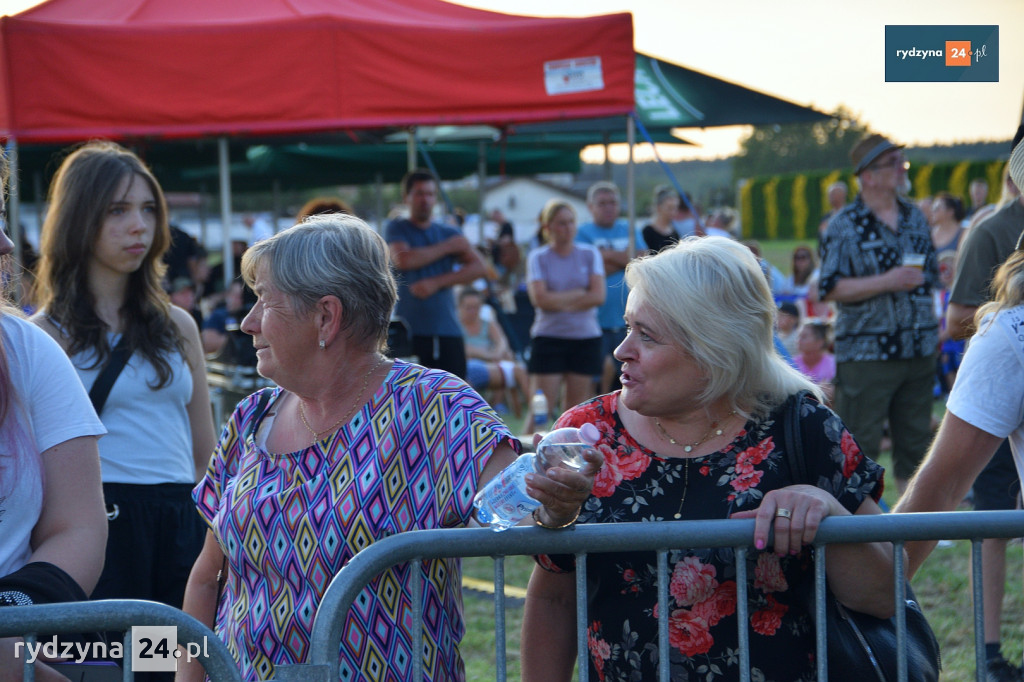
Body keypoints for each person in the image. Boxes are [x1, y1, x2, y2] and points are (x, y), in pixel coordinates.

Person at [178, 215, 601, 682]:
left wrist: (557, 498)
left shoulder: (433, 406)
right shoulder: (250, 418)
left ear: (326, 316)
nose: (247, 322)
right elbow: (207, 578)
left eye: (265, 303)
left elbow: (526, 507)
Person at [521, 236, 894, 682]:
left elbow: (885, 595)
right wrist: (555, 517)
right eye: (627, 328)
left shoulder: (802, 427)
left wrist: (827, 513)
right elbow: (554, 597)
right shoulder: (586, 435)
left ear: (713, 349)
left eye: (646, 335)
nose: (622, 350)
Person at [30, 141, 216, 613]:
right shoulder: (41, 337)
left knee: (175, 662)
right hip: (96, 528)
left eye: (149, 209)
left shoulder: (179, 325)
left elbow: (205, 455)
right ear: (80, 217)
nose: (139, 225)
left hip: (181, 526)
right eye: (117, 210)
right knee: (111, 663)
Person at [0, 152, 107, 682]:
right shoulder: (54, 325)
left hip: (150, 518)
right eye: (116, 211)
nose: (4, 243)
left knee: (154, 652)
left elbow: (79, 525)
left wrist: (13, 618)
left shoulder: (27, 349)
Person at [895, 247, 1024, 682]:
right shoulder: (1013, 332)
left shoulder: (1011, 330)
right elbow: (943, 485)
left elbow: (943, 485)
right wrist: (874, 592)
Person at [924, 138, 1024, 682]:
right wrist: (1001, 327)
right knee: (992, 514)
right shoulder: (990, 231)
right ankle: (988, 651)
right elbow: (960, 314)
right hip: (997, 402)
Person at [819, 133, 939, 494]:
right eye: (892, 162)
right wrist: (887, 280)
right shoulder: (844, 225)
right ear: (868, 175)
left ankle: (916, 530)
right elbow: (830, 287)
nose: (902, 168)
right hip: (867, 355)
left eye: (902, 160)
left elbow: (928, 274)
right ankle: (860, 536)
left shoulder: (915, 216)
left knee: (917, 447)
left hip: (918, 348)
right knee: (861, 446)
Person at [385, 169, 487, 379]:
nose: (426, 199)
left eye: (430, 194)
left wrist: (436, 282)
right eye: (419, 193)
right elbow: (403, 259)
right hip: (410, 330)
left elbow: (479, 267)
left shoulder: (448, 232)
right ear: (407, 198)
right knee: (410, 400)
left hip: (448, 328)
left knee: (454, 397)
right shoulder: (398, 227)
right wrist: (447, 247)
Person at [526, 199, 605, 425]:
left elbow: (598, 296)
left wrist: (558, 300)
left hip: (585, 337)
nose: (568, 228)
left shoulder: (590, 254)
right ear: (547, 227)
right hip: (549, 337)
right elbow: (540, 299)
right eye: (561, 223)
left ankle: (566, 457)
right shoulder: (539, 257)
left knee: (575, 412)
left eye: (571, 222)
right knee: (541, 409)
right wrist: (579, 294)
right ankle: (527, 457)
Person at [575, 181, 647, 394]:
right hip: (595, 323)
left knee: (632, 380)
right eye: (602, 203)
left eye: (613, 202)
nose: (609, 207)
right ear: (590, 207)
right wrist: (626, 258)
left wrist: (602, 256)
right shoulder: (582, 232)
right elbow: (586, 274)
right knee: (592, 380)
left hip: (629, 322)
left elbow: (643, 261)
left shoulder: (630, 227)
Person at [457, 287, 528, 416]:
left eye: (476, 307)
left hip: (490, 365)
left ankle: (535, 415)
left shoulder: (487, 324)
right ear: (460, 307)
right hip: (469, 368)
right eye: (468, 307)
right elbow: (464, 350)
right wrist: (490, 354)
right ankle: (491, 409)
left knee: (519, 369)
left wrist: (495, 354)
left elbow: (502, 343)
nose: (473, 311)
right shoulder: (456, 326)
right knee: (509, 366)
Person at [793, 318, 836, 403]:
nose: (798, 341)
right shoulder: (791, 364)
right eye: (798, 336)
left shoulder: (833, 364)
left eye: (804, 337)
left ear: (820, 342)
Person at [642, 185, 681, 252]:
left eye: (675, 208)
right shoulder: (648, 232)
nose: (673, 212)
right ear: (659, 207)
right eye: (669, 208)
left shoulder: (674, 233)